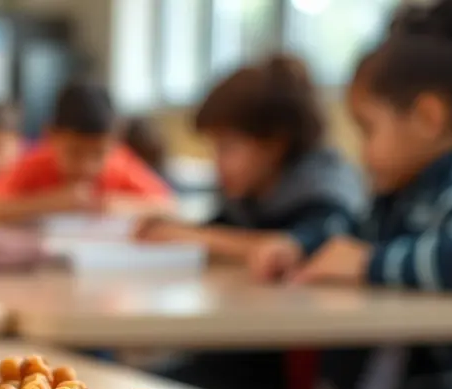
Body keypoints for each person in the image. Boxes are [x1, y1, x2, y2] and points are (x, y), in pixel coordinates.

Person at [251, 0, 452, 389]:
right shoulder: (405, 194)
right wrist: (300, 244)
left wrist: (368, 262)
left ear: (428, 117)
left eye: (368, 129)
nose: (362, 151)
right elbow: (349, 229)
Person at [136, 55, 366, 263]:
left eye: (227, 147)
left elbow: (305, 248)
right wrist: (174, 229)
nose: (217, 162)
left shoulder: (324, 192)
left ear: (275, 144)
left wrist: (191, 237)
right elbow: (224, 230)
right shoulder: (251, 194)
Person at [0, 81, 171, 226]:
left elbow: (169, 206)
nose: (88, 165)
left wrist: (119, 205)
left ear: (115, 141)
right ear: (51, 136)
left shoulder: (118, 163)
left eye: (99, 154)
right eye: (75, 152)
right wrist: (50, 203)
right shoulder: (36, 163)